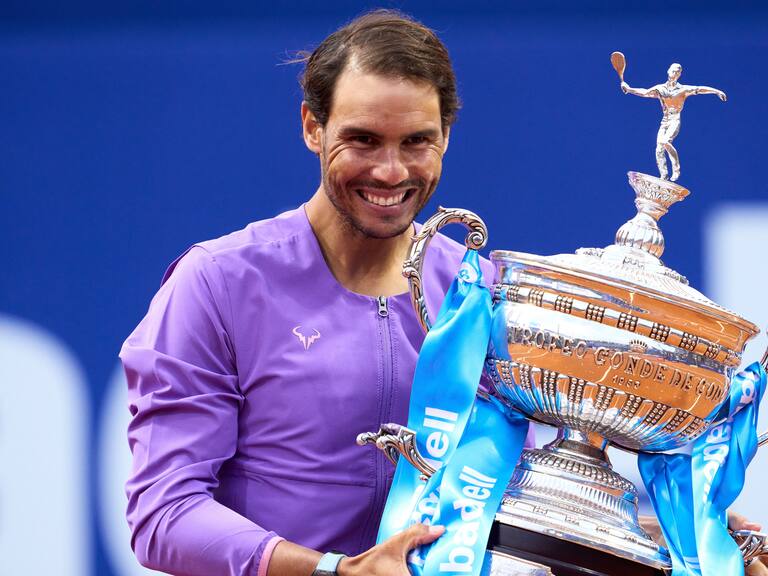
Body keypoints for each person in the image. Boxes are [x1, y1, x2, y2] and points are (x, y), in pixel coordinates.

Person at [121, 9, 525, 576]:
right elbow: (166, 515)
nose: (390, 172)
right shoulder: (216, 283)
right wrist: (333, 571)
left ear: (447, 137)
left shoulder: (481, 296)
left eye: (417, 142)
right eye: (362, 140)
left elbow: (521, 492)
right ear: (313, 126)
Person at [621, 63, 726, 182]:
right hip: (664, 121)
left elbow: (699, 88)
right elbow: (645, 92)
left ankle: (676, 169)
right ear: (668, 71)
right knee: (659, 148)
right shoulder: (660, 89)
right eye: (673, 71)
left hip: (675, 119)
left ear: (680, 75)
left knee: (666, 141)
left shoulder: (683, 89)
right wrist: (629, 89)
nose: (675, 73)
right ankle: (664, 175)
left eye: (678, 72)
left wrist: (717, 91)